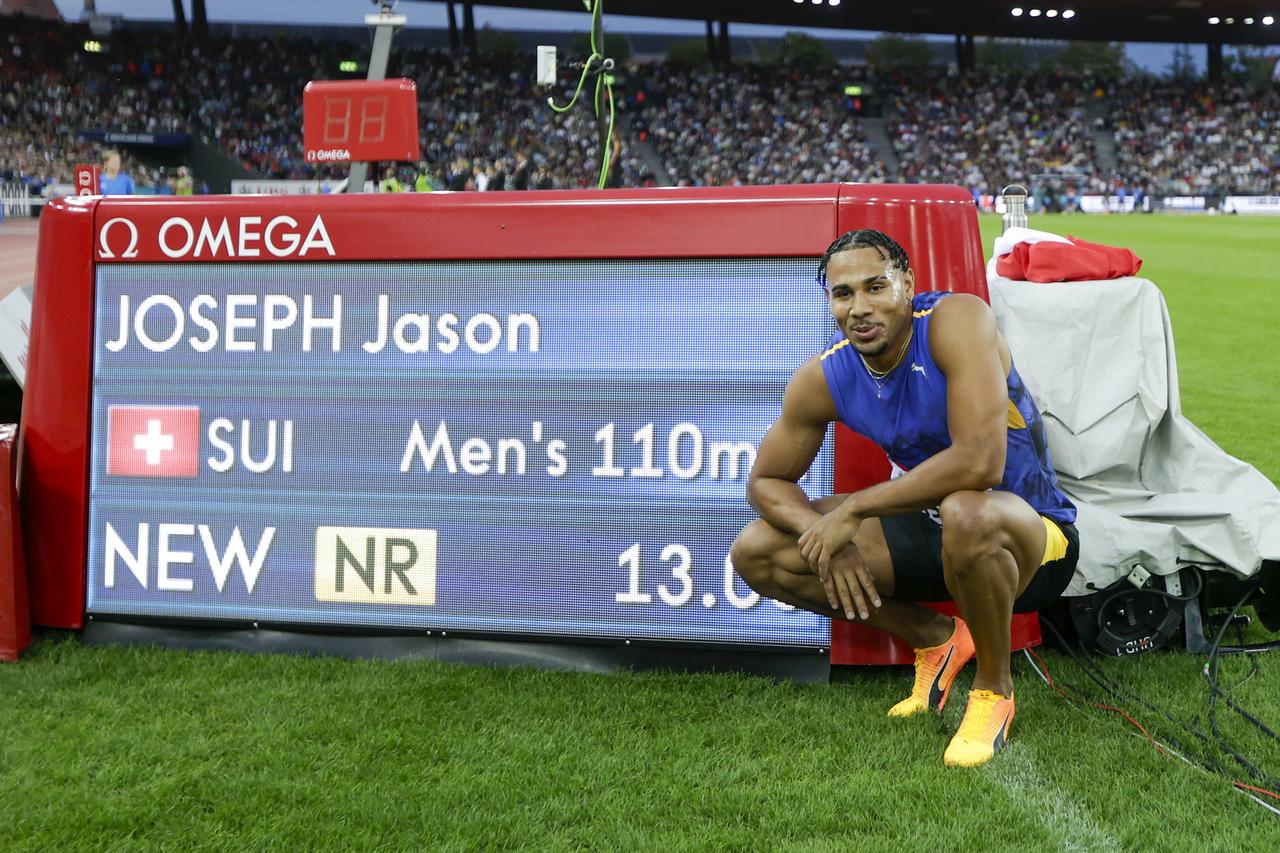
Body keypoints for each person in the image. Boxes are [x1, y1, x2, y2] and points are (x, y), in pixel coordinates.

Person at [731, 229, 1078, 768]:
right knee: (757, 551)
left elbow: (980, 462)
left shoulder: (955, 321)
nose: (860, 308)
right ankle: (936, 640)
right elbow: (765, 482)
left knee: (967, 509)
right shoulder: (826, 374)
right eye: (843, 294)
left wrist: (854, 509)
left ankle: (994, 690)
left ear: (908, 283)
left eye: (876, 287)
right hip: (935, 531)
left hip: (1031, 536)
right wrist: (830, 541)